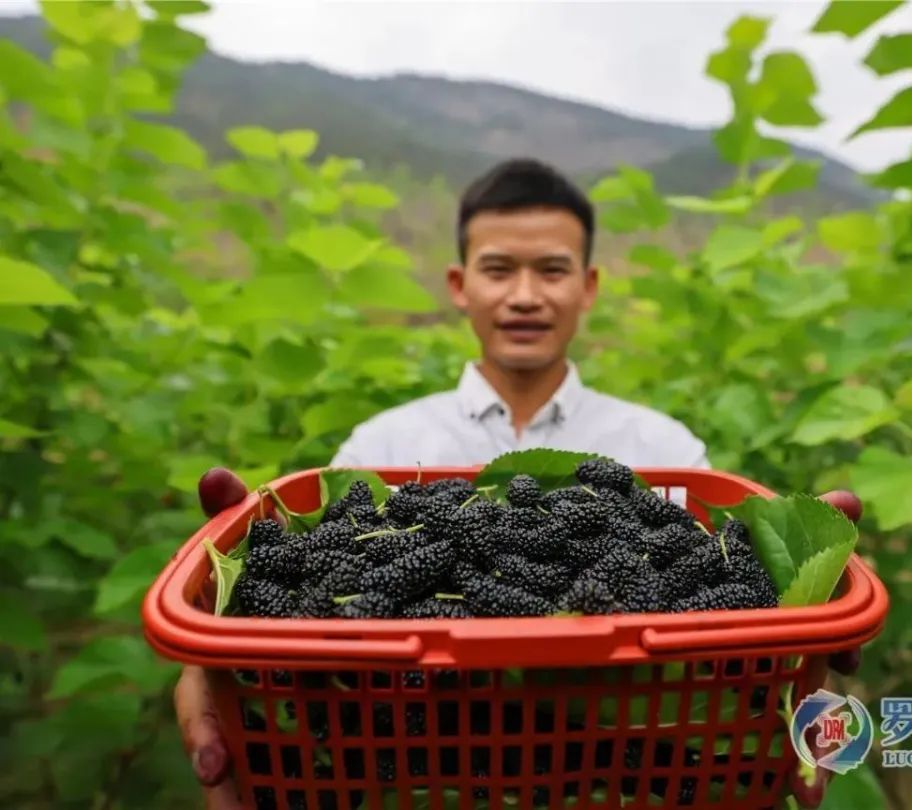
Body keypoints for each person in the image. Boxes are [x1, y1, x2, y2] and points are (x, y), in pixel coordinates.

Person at [175, 158, 863, 809]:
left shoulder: (662, 450)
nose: (526, 295)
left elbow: (736, 621)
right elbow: (311, 640)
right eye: (499, 269)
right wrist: (227, 634)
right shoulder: (378, 450)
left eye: (552, 270)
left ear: (589, 285)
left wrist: (797, 613)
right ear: (459, 283)